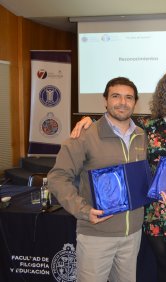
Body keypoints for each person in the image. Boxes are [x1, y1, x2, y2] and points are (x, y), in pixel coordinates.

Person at [71, 69, 166, 282]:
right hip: (153, 213)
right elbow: (118, 116)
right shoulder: (151, 126)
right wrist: (88, 119)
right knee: (162, 269)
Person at [48, 77, 147, 282]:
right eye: (116, 96)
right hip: (96, 234)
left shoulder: (141, 135)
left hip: (132, 235)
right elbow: (57, 177)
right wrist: (83, 210)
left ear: (135, 102)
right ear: (105, 100)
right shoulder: (85, 135)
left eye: (129, 97)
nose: (122, 102)